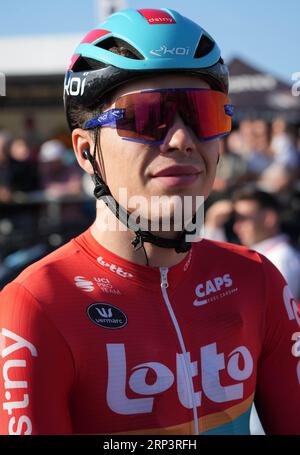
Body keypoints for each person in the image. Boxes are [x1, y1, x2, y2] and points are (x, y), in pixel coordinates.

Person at [0, 8, 299, 436]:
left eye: (204, 114)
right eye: (146, 117)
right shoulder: (37, 304)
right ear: (86, 152)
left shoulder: (257, 280)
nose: (181, 139)